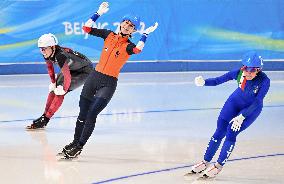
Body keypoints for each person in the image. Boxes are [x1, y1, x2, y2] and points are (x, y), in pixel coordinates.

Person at [59, 2, 158, 159]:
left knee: (92, 114)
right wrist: (98, 13)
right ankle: (74, 142)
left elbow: (138, 49)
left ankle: (79, 147)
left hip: (108, 83)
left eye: (131, 26)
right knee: (82, 112)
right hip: (94, 77)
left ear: (133, 31)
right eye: (126, 22)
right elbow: (86, 28)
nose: (127, 26)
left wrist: (145, 35)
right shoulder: (108, 35)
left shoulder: (128, 46)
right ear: (121, 23)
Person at [185, 51, 270, 178]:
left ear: (258, 70)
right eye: (246, 68)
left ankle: (218, 165)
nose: (248, 73)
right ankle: (205, 161)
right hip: (234, 101)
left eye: (252, 70)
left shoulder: (264, 81)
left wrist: (243, 116)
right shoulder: (239, 73)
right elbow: (218, 80)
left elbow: (258, 101)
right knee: (219, 130)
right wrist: (203, 83)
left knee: (231, 131)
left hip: (251, 109)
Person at [26, 33, 93, 129]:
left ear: (52, 47)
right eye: (41, 49)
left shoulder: (60, 56)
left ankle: (46, 119)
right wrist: (53, 82)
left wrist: (64, 89)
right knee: (54, 89)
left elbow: (67, 77)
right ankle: (44, 116)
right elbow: (50, 68)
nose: (42, 51)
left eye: (44, 48)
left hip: (85, 71)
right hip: (71, 68)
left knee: (60, 92)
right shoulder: (48, 53)